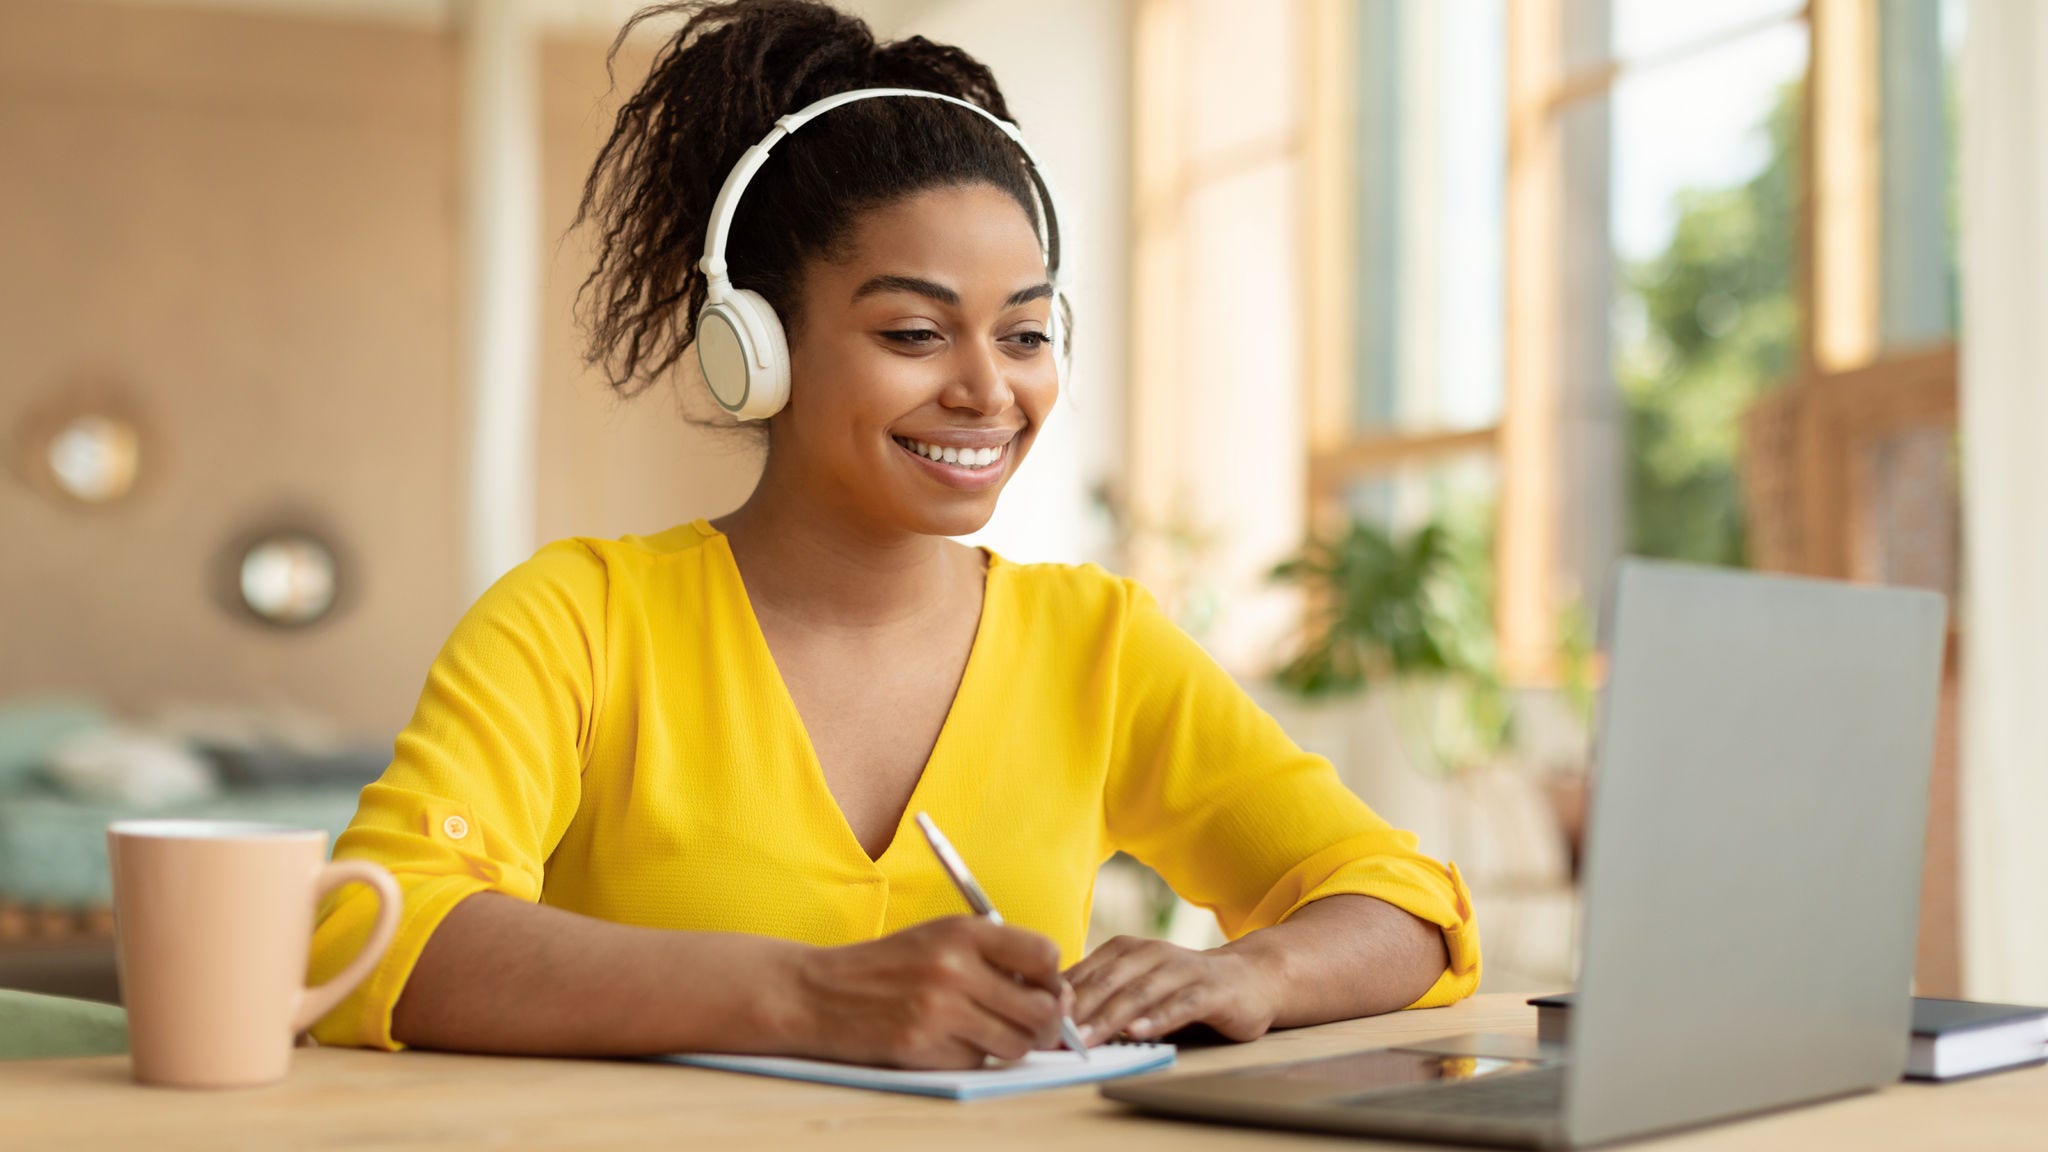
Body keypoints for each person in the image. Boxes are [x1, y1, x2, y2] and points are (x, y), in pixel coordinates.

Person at [307, 0, 1478, 1069]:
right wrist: (808, 998)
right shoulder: (580, 619)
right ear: (755, 346)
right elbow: (377, 927)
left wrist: (1246, 971)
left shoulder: (1094, 641)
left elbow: (1403, 904)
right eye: (916, 333)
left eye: (1023, 336)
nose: (986, 390)